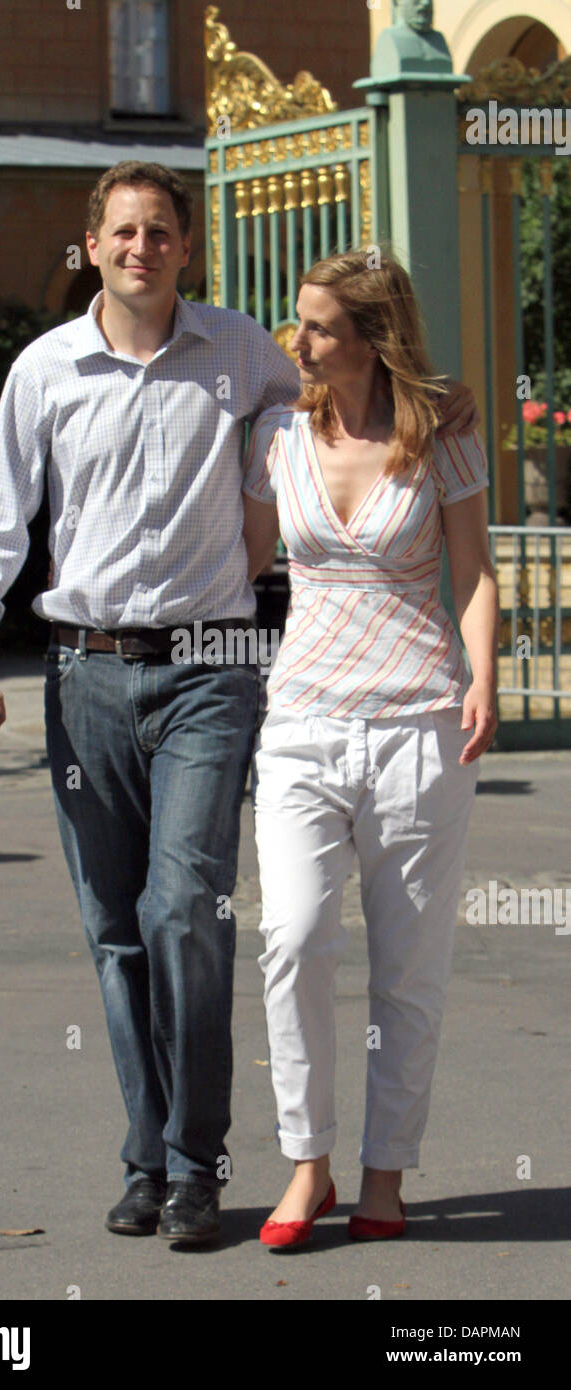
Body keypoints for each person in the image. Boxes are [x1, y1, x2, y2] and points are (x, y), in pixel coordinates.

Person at [0, 160, 479, 1247]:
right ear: (91, 245)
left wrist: (443, 393)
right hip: (83, 672)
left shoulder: (245, 352)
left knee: (185, 906)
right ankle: (147, 1155)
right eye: (123, 231)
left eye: (160, 231)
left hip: (213, 670)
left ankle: (198, 1162)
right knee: (115, 932)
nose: (141, 246)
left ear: (186, 247)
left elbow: (369, 400)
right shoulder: (43, 370)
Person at [242, 251, 499, 1248]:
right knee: (292, 939)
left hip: (418, 726)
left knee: (408, 967)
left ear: (370, 338)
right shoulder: (274, 432)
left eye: (315, 328)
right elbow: (245, 556)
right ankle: (306, 1164)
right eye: (295, 322)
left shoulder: (443, 438)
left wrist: (482, 679)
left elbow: (471, 574)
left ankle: (383, 1171)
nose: (294, 342)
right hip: (301, 718)